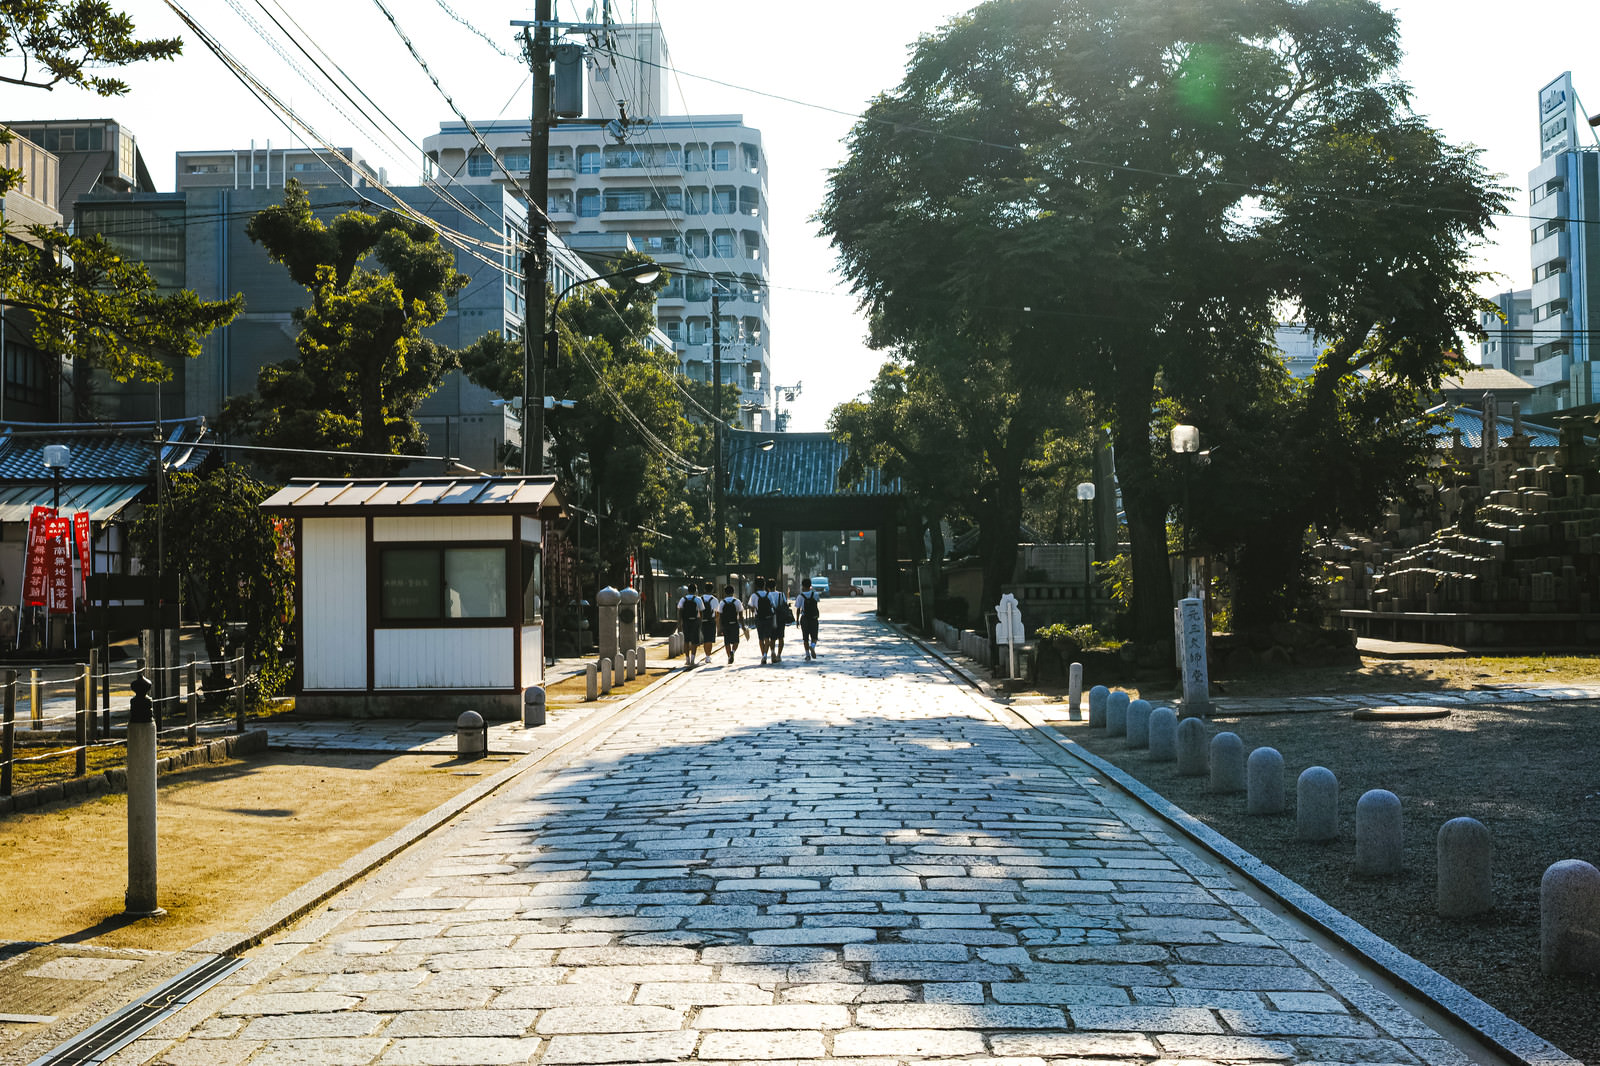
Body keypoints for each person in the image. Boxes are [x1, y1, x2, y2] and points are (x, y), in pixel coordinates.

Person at [749, 577, 776, 664]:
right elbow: (772, 605)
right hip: (768, 618)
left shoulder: (754, 595)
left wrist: (754, 609)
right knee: (767, 637)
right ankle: (765, 654)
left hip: (759, 618)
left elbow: (751, 608)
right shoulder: (769, 594)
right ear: (764, 584)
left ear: (756, 585)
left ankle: (763, 656)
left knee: (760, 638)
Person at [718, 584, 746, 664]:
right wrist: (743, 626)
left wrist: (720, 627)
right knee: (736, 641)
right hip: (734, 623)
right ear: (733, 592)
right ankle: (732, 652)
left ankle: (729, 657)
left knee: (727, 642)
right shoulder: (737, 601)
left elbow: (720, 616)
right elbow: (741, 616)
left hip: (725, 624)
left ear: (725, 593)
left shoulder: (722, 602)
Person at [676, 582, 702, 667]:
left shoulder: (683, 599)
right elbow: (701, 611)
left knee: (686, 640)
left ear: (688, 590)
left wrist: (679, 622)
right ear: (695, 590)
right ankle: (693, 659)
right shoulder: (698, 599)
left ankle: (687, 659)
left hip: (686, 621)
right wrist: (700, 622)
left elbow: (680, 611)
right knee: (695, 641)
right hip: (695, 621)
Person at [796, 577, 822, 660]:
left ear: (803, 586)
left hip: (804, 618)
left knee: (805, 638)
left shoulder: (800, 596)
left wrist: (797, 620)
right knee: (814, 637)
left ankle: (807, 655)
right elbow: (817, 603)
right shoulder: (815, 594)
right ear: (810, 585)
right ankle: (813, 646)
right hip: (813, 618)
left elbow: (798, 609)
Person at [768, 576, 791, 664]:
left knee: (772, 637)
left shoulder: (768, 595)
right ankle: (779, 655)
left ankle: (772, 652)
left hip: (772, 618)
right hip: (781, 617)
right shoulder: (781, 594)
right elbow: (784, 604)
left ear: (768, 587)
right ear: (775, 586)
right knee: (781, 637)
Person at [699, 583, 719, 664]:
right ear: (712, 590)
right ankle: (708, 656)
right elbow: (717, 613)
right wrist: (716, 621)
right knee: (709, 639)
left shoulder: (700, 599)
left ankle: (706, 654)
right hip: (711, 621)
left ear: (704, 589)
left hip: (702, 621)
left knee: (705, 639)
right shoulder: (714, 599)